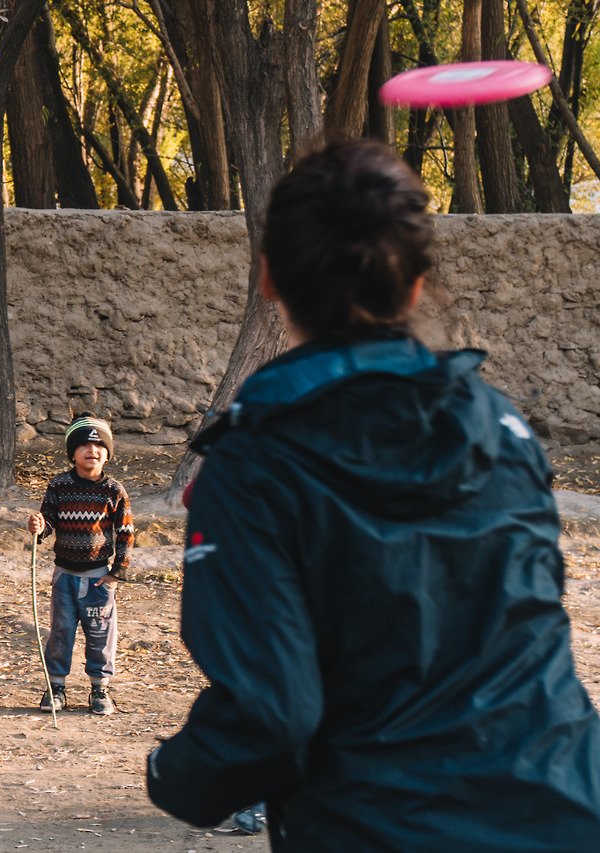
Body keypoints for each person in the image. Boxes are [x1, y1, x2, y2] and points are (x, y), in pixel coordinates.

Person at [146, 139, 600, 850]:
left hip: (381, 826)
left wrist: (173, 774)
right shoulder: (503, 428)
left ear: (267, 278)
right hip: (567, 807)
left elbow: (270, 716)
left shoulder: (253, 462)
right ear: (416, 284)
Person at [28, 414, 134, 716]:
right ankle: (56, 686)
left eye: (100, 445)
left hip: (99, 578)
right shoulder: (59, 485)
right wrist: (39, 527)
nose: (93, 450)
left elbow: (125, 532)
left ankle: (100, 688)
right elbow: (48, 522)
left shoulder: (114, 490)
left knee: (100, 633)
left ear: (108, 453)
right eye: (85, 445)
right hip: (64, 576)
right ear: (72, 452)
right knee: (61, 632)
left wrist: (117, 571)